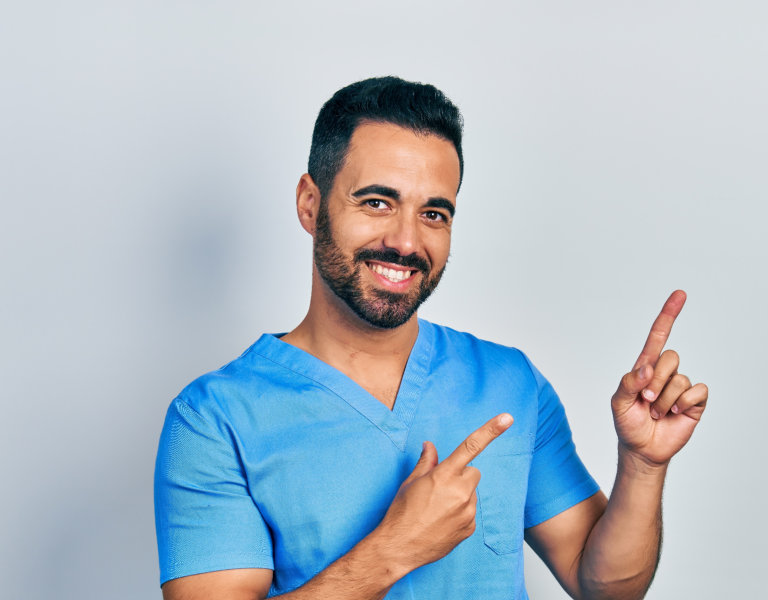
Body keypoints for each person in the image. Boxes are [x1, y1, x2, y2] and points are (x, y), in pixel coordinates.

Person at [153, 76, 710, 600]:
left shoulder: (509, 382)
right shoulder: (212, 419)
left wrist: (643, 465)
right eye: (377, 202)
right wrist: (393, 551)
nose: (405, 241)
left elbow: (605, 586)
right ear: (310, 202)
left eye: (434, 213)